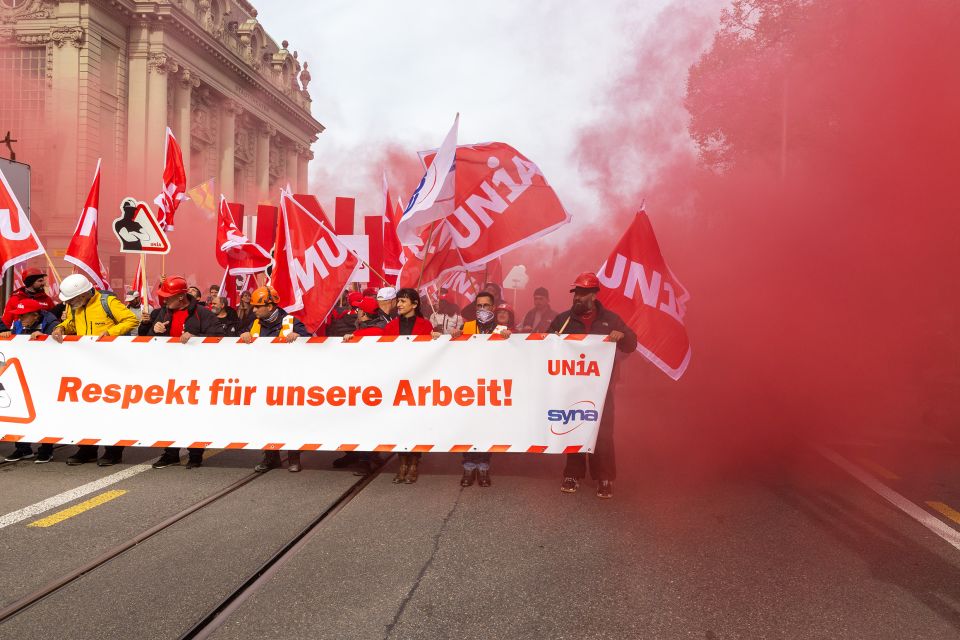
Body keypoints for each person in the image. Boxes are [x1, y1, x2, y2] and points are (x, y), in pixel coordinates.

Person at [548, 272, 638, 500]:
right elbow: (545, 344)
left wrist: (622, 336)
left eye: (582, 293)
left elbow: (631, 344)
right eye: (575, 293)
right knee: (573, 428)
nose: (577, 297)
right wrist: (552, 340)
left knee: (603, 432)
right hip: (571, 387)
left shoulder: (610, 319)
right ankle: (573, 474)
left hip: (601, 389)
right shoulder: (563, 320)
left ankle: (604, 477)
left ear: (593, 295)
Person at [51, 274, 139, 466]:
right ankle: (87, 449)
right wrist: (60, 328)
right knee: (85, 409)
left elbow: (131, 320)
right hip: (86, 366)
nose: (70, 303)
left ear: (83, 294)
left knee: (110, 408)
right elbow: (72, 324)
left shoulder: (108, 302)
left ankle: (113, 451)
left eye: (72, 299)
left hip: (111, 364)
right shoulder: (74, 305)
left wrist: (110, 333)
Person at [143, 276, 224, 470]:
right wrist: (154, 330)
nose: (163, 301)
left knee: (194, 413)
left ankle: (195, 454)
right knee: (168, 414)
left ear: (180, 297)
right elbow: (146, 340)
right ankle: (170, 453)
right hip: (168, 373)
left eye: (167, 297)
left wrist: (197, 338)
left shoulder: (203, 314)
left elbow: (219, 338)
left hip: (195, 374)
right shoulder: (162, 312)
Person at [239, 286, 311, 472]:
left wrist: (299, 336)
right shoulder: (254, 323)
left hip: (287, 381)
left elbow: (310, 342)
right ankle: (271, 457)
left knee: (290, 420)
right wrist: (243, 335)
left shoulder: (291, 322)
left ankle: (293, 458)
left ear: (270, 306)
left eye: (257, 307)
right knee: (266, 419)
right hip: (263, 381)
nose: (253, 310)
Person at [454, 292, 512, 487]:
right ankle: (469, 466)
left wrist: (509, 340)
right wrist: (453, 337)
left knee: (487, 427)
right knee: (468, 426)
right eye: (479, 306)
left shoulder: (502, 330)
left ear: (493, 308)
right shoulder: (467, 327)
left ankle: (484, 466)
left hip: (490, 387)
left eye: (486, 306)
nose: (482, 310)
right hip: (468, 386)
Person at [383, 288, 434, 484]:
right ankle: (402, 462)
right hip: (396, 383)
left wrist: (435, 337)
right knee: (399, 423)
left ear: (415, 304)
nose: (399, 305)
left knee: (416, 423)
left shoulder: (425, 325)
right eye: (398, 301)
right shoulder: (391, 326)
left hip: (418, 382)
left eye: (403, 301)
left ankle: (414, 463)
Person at [0, 299, 58, 463]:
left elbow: (60, 343)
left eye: (23, 316)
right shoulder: (18, 325)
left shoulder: (51, 323)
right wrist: (7, 336)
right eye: (17, 316)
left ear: (35, 315)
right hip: (24, 374)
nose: (19, 319)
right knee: (19, 408)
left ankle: (46, 449)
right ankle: (23, 449)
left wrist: (46, 338)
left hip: (46, 375)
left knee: (44, 410)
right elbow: (15, 346)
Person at [337, 295, 389, 474]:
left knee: (363, 421)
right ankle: (357, 454)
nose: (356, 311)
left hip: (368, 385)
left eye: (359, 309)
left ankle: (365, 459)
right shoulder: (367, 328)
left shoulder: (371, 332)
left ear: (364, 314)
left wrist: (352, 338)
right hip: (362, 383)